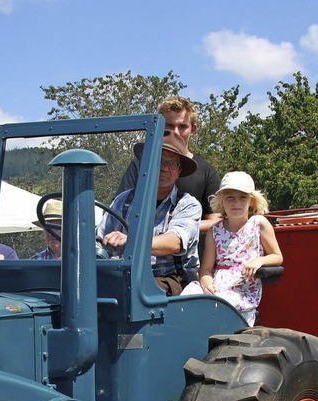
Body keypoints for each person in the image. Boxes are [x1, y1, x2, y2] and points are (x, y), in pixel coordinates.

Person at [97, 130, 202, 296]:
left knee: (129, 293)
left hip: (169, 280)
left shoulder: (188, 205)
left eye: (172, 163)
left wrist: (132, 242)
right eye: (159, 160)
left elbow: (174, 241)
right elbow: (99, 237)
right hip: (123, 276)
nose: (164, 168)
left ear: (179, 171)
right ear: (147, 163)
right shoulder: (123, 200)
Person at [180, 172, 283, 326]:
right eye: (230, 198)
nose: (237, 203)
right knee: (187, 297)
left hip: (242, 288)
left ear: (252, 201)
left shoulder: (259, 224)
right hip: (216, 285)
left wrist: (259, 261)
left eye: (243, 197)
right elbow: (206, 269)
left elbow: (277, 256)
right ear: (222, 202)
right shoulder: (214, 231)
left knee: (220, 304)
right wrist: (206, 283)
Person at [118, 96, 221, 234]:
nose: (175, 132)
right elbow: (119, 211)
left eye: (182, 126)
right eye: (169, 125)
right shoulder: (140, 164)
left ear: (193, 129)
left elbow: (216, 221)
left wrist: (179, 226)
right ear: (159, 127)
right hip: (137, 252)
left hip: (185, 253)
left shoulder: (207, 172)